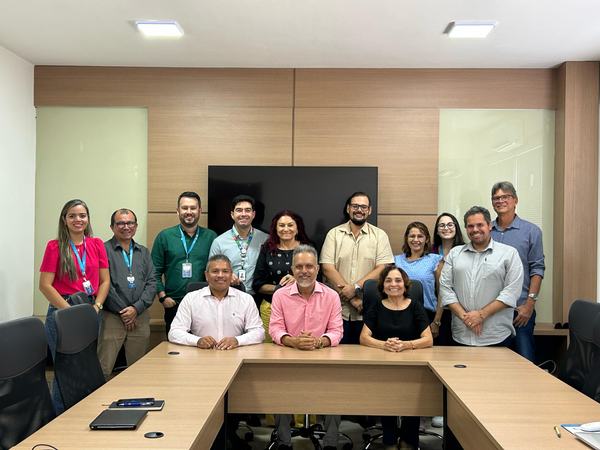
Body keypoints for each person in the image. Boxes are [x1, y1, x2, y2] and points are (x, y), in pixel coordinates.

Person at [169, 254, 264, 450]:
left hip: (236, 366)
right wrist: (197, 341)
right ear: (206, 275)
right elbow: (175, 332)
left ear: (231, 274)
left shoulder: (245, 299)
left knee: (235, 402)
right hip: (199, 367)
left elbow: (259, 332)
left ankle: (227, 435)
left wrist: (237, 340)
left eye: (225, 271)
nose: (220, 275)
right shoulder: (191, 299)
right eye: (215, 271)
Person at [39, 199, 109, 414]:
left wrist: (97, 306)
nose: (78, 219)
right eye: (72, 216)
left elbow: (105, 281)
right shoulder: (54, 246)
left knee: (86, 368)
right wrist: (71, 313)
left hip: (90, 310)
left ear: (88, 219)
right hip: (62, 312)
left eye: (82, 215)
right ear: (64, 220)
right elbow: (45, 286)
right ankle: (60, 417)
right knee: (65, 370)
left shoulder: (97, 244)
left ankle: (83, 414)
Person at [269, 245, 343, 450]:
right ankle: (283, 442)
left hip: (322, 359)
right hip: (289, 358)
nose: (304, 271)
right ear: (292, 269)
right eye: (299, 266)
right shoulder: (280, 295)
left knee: (335, 390)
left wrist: (318, 342)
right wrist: (293, 341)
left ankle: (330, 444)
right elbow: (275, 329)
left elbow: (336, 331)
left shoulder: (331, 296)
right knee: (280, 389)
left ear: (317, 269)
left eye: (309, 266)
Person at [360, 265, 433, 450]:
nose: (394, 284)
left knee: (413, 398)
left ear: (405, 284)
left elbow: (428, 339)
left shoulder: (415, 306)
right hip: (385, 365)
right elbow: (364, 337)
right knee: (388, 398)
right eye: (389, 280)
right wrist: (384, 344)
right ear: (383, 286)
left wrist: (406, 345)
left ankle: (409, 441)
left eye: (398, 280)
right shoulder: (377, 306)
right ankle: (390, 440)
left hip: (412, 366)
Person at [440, 206, 524, 347]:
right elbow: (445, 289)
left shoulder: (509, 254)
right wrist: (467, 318)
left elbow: (511, 292)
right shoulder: (455, 254)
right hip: (461, 334)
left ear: (489, 226)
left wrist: (481, 315)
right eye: (470, 226)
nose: (475, 229)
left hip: (496, 336)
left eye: (480, 225)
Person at [320, 192, 394, 344]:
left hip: (368, 311)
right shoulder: (334, 234)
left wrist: (355, 287)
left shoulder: (380, 236)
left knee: (368, 355)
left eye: (363, 207)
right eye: (355, 206)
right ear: (348, 208)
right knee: (336, 354)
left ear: (369, 210)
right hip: (337, 311)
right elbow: (327, 268)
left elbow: (383, 268)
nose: (359, 210)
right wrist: (352, 298)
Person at [98, 208, 157, 379]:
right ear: (112, 227)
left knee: (138, 369)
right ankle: (100, 396)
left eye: (130, 223)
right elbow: (103, 283)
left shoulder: (143, 252)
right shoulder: (103, 250)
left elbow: (152, 282)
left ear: (136, 226)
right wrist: (125, 312)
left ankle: (135, 395)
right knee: (104, 367)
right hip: (112, 317)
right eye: (121, 223)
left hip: (140, 316)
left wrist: (136, 309)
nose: (126, 227)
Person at [490, 181, 545, 362]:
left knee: (525, 359)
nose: (500, 201)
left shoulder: (532, 231)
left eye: (505, 197)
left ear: (515, 200)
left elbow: (537, 268)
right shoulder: (486, 230)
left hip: (519, 309)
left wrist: (530, 304)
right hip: (491, 310)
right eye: (496, 198)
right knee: (493, 363)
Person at [151, 191, 217, 335]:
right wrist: (163, 297)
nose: (189, 211)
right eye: (184, 208)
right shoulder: (165, 236)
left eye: (193, 208)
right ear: (177, 211)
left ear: (200, 211)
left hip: (204, 303)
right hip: (174, 303)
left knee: (205, 343)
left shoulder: (211, 237)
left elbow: (217, 270)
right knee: (176, 345)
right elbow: (154, 271)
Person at [252, 210, 312, 342]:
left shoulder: (308, 248)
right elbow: (257, 284)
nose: (286, 229)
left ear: (297, 228)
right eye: (281, 225)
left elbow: (317, 280)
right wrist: (279, 288)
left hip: (303, 308)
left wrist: (298, 280)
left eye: (290, 225)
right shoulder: (267, 249)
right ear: (275, 228)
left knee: (301, 345)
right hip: (271, 308)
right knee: (271, 349)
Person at [209, 195, 268, 294]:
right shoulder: (219, 242)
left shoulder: (265, 239)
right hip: (229, 294)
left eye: (247, 210)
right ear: (232, 214)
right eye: (239, 210)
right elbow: (211, 271)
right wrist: (225, 275)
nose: (243, 214)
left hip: (258, 296)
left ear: (253, 214)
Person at [394, 222, 443, 336]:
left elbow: (442, 293)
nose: (416, 240)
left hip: (427, 315)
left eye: (420, 236)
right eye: (412, 236)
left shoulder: (435, 260)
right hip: (399, 315)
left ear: (427, 239)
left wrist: (436, 321)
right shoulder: (396, 261)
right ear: (407, 238)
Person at [431, 212, 466, 347]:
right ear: (437, 230)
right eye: (442, 225)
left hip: (459, 310)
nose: (446, 228)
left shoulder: (465, 251)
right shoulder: (430, 252)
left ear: (456, 228)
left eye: (450, 224)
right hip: (435, 309)